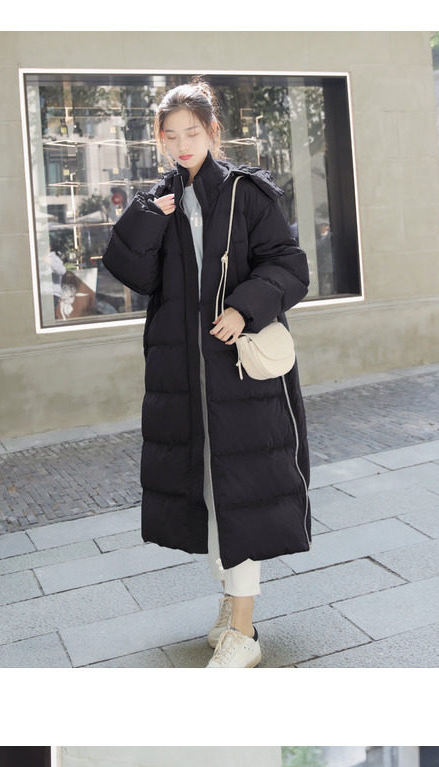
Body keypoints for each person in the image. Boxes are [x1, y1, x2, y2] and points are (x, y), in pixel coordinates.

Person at [102, 80, 311, 668]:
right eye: (170, 136)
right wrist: (146, 219)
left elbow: (290, 266)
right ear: (159, 140)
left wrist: (244, 307)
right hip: (185, 374)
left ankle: (244, 632)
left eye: (191, 133)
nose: (181, 145)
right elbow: (132, 275)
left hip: (240, 372)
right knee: (209, 493)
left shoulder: (248, 193)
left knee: (240, 490)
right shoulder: (160, 199)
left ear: (213, 132)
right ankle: (231, 607)